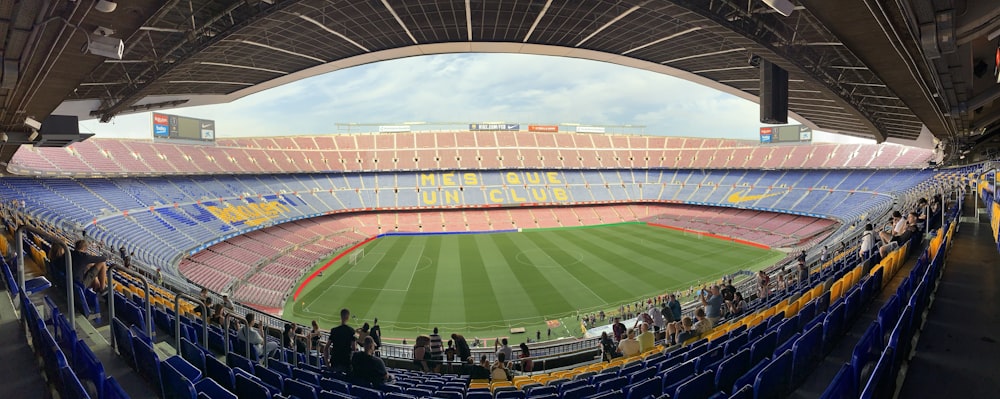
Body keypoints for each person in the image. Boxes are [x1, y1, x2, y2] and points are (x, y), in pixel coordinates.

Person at [327, 308, 356, 373]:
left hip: (335, 362)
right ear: (348, 317)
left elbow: (326, 347)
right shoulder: (351, 331)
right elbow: (354, 349)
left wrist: (327, 364)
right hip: (346, 363)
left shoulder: (334, 330)